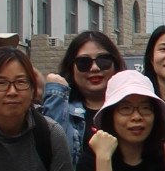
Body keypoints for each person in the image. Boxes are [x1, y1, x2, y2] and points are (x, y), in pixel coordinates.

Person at [42, 29, 123, 161]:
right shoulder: (61, 109)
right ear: (71, 67)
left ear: (115, 63)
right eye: (84, 62)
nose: (94, 68)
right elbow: (52, 154)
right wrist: (56, 94)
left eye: (103, 60)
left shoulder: (131, 107)